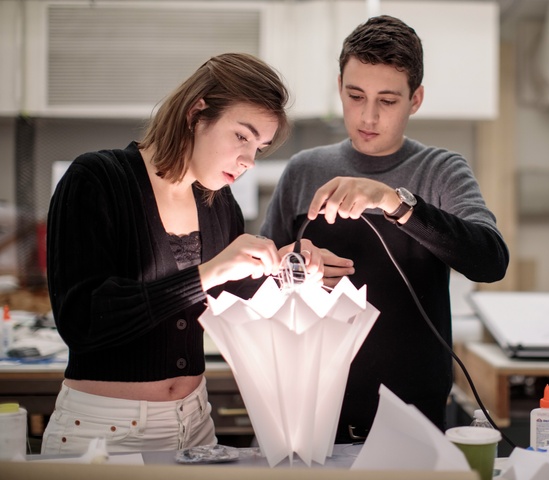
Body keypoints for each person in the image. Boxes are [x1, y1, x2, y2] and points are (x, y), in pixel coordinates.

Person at [42, 53, 323, 454]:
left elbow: (232, 302)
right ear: (196, 113)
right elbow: (83, 321)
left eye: (259, 148)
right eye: (242, 136)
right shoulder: (97, 179)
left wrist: (287, 269)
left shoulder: (220, 205)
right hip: (104, 432)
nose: (248, 160)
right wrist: (206, 273)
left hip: (195, 423)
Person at [260, 15, 509, 443]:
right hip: (312, 411)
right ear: (339, 86)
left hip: (413, 415)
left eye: (388, 101)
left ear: (416, 100)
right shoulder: (304, 171)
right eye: (355, 95)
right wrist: (292, 268)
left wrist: (392, 200)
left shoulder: (442, 170)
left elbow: (490, 260)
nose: (368, 116)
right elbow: (252, 283)